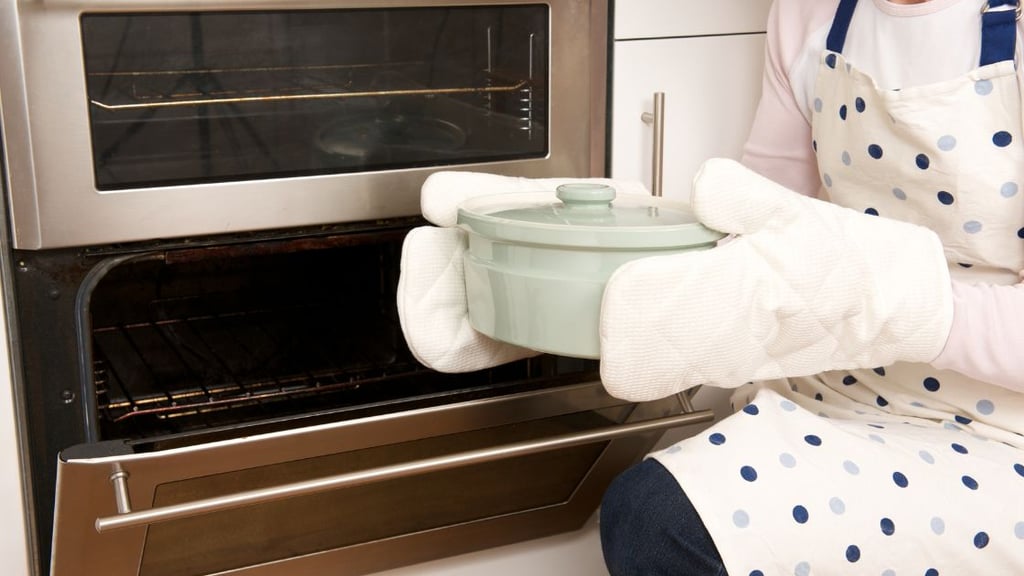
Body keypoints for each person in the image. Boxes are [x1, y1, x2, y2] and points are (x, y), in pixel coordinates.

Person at [397, 0, 1024, 573]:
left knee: (658, 521)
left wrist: (893, 300)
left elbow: (840, 280)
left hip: (998, 435)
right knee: (656, 514)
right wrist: (573, 260)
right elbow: (759, 221)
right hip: (828, 391)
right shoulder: (810, 12)